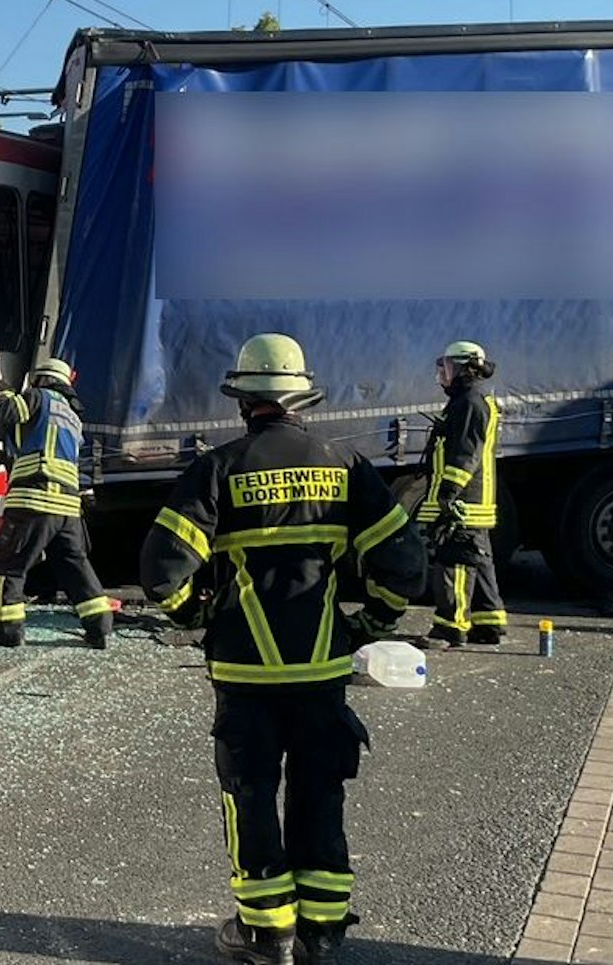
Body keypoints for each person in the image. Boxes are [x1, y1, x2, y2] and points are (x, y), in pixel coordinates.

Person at [140, 333, 428, 964]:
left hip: (244, 672)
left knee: (250, 794)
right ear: (303, 396)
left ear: (243, 400)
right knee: (321, 792)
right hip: (322, 668)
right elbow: (405, 562)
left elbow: (161, 571)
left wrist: (201, 620)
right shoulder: (345, 465)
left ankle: (267, 937)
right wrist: (369, 624)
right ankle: (322, 933)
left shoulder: (217, 469)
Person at [0, 356, 113, 648]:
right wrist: (5, 457)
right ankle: (99, 626)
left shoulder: (38, 397)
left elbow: (6, 410)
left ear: (40, 379)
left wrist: (3, 391)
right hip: (66, 507)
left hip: (33, 500)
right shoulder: (73, 418)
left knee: (10, 565)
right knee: (73, 564)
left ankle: (8, 631)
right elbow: (42, 449)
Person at [414, 340, 506, 649]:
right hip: (472, 501)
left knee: (455, 562)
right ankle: (488, 624)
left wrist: (445, 498)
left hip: (463, 503)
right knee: (478, 560)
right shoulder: (471, 399)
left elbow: (463, 456)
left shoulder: (468, 401)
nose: (442, 373)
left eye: (447, 366)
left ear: (465, 368)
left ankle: (450, 628)